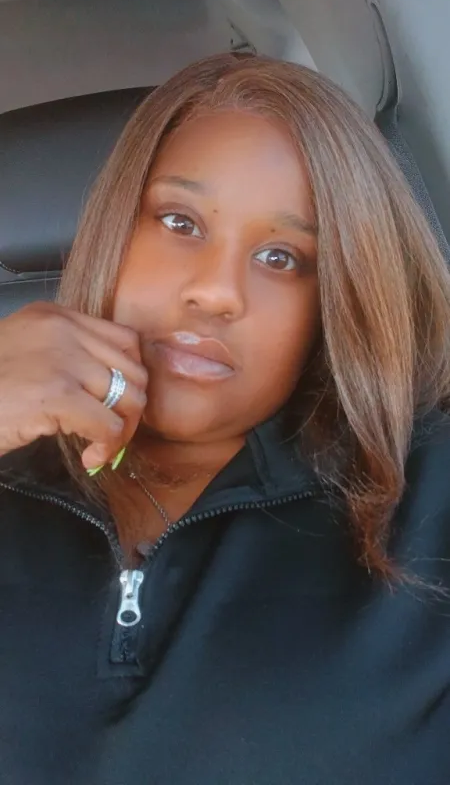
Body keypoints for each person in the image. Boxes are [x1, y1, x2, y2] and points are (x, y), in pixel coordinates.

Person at [1, 51, 450, 785]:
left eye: (282, 257)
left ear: (335, 297)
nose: (216, 293)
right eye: (179, 221)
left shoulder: (428, 502)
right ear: (115, 227)